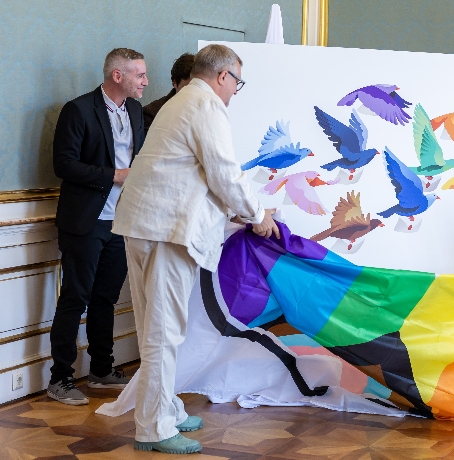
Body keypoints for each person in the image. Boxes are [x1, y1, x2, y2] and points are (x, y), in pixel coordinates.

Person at [113, 44, 279, 454]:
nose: (235, 91)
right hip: (166, 232)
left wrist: (241, 210)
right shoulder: (205, 105)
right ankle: (153, 428)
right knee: (163, 333)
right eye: (237, 83)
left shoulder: (181, 100)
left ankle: (165, 409)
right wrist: (258, 214)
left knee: (158, 328)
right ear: (223, 76)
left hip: (146, 225)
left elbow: (195, 173)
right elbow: (224, 173)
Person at [48, 48, 148, 404]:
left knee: (105, 298)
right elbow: (63, 164)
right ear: (117, 76)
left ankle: (101, 370)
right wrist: (115, 175)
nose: (145, 82)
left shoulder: (135, 111)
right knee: (75, 298)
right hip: (85, 221)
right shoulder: (77, 110)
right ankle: (60, 378)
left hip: (121, 221)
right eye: (139, 75)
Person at [142, 53, 195, 133]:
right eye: (189, 87)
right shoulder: (151, 113)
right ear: (175, 84)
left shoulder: (208, 107)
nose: (195, 92)